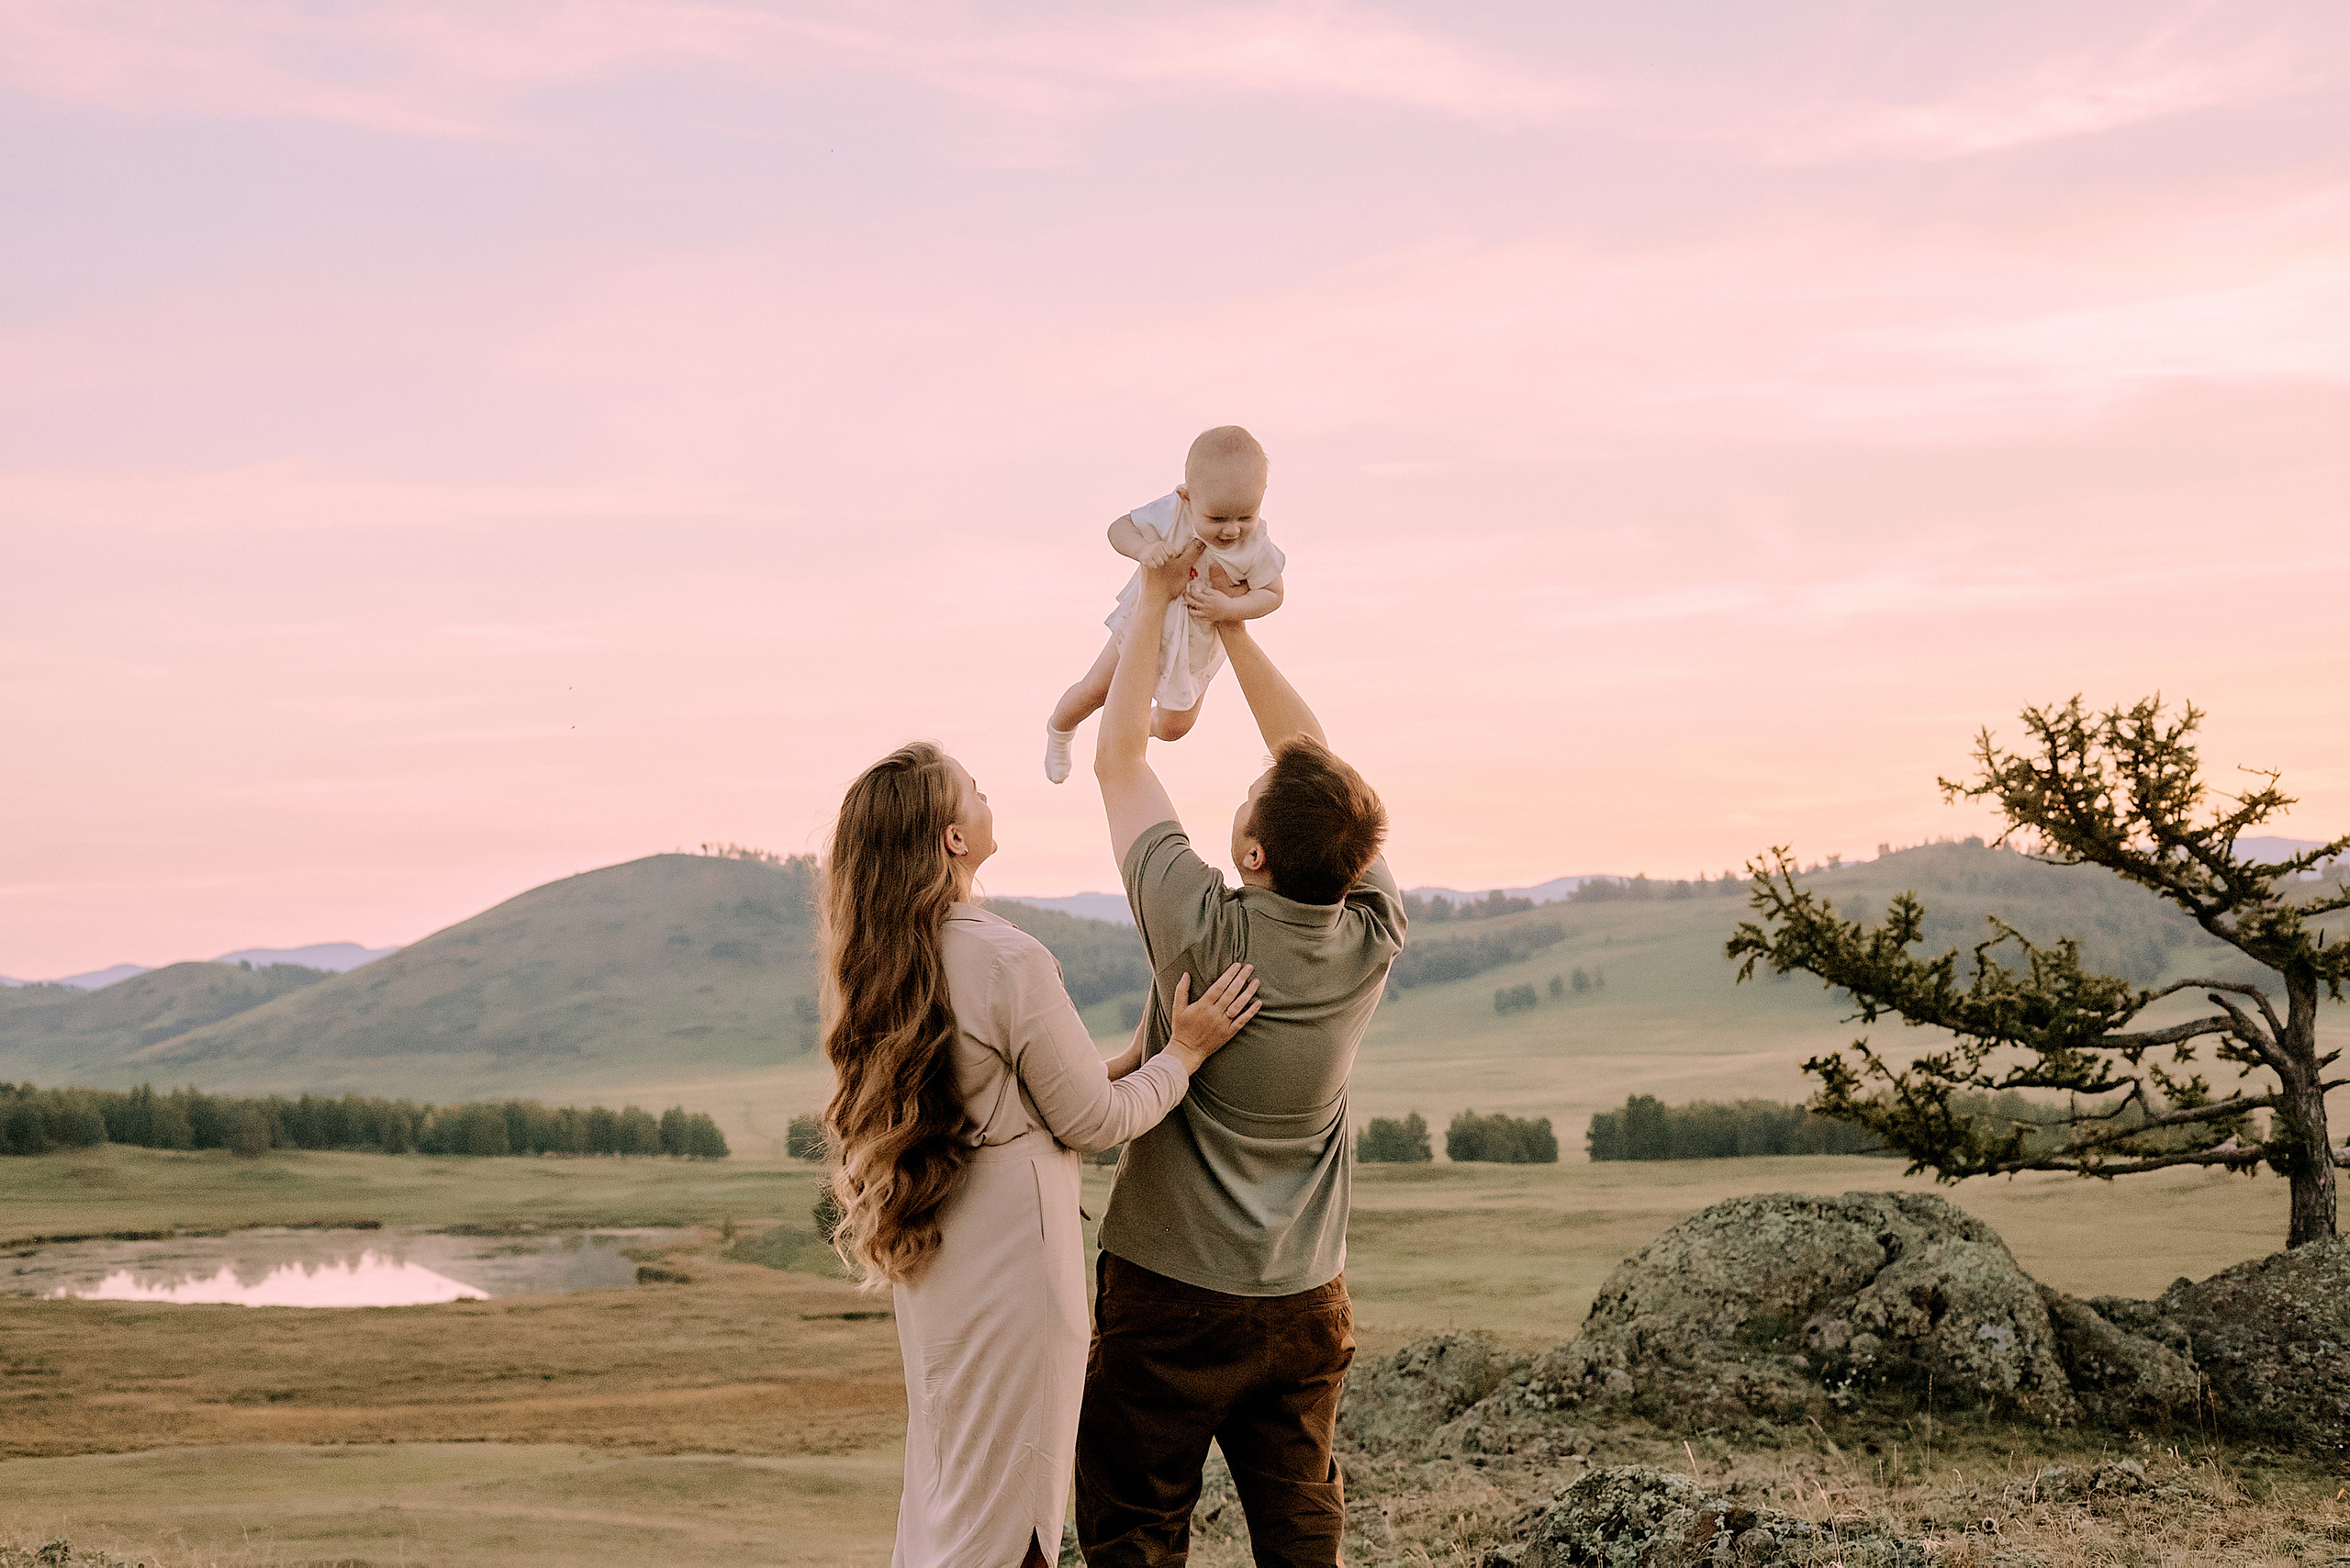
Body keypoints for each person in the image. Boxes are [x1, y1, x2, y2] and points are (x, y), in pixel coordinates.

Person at [819, 741, 1265, 1568]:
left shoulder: (887, 959)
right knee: (1014, 1509)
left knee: (952, 1487)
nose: (989, 799)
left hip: (943, 1265)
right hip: (1019, 1274)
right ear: (954, 837)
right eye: (975, 791)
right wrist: (1188, 1053)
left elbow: (999, 1097)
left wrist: (1136, 1057)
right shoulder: (1008, 956)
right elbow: (1093, 1123)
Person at [1078, 533, 1405, 1567]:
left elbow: (1120, 757)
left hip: (1170, 1293)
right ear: (1354, 867)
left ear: (1251, 852)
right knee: (1304, 1530)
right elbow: (1315, 763)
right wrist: (1228, 628)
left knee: (1134, 1528)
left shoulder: (1200, 927)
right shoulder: (1371, 936)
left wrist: (1151, 599)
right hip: (1307, 1297)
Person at [1044, 426, 1287, 781]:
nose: (1232, 531)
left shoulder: (1255, 546)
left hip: (1198, 640)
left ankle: (1135, 725)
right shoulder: (1172, 514)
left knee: (1175, 727)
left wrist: (1230, 609)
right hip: (1146, 621)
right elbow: (1119, 528)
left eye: (1245, 517)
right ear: (1187, 497)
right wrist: (1143, 549)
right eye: (1218, 519)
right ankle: (1060, 729)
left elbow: (1273, 594)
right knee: (1095, 689)